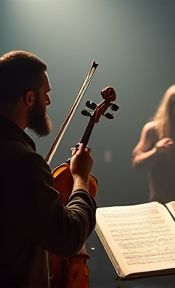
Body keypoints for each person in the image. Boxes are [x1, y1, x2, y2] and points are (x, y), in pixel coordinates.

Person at [0, 50, 97, 288]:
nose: (49, 102)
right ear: (29, 98)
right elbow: (69, 238)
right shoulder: (23, 161)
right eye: (46, 94)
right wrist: (80, 178)